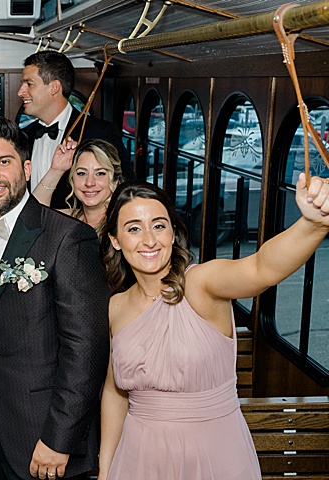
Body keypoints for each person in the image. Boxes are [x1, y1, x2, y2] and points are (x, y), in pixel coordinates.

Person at [98, 175, 329, 480]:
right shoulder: (116, 306)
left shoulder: (200, 285)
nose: (149, 240)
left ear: (172, 232)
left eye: (158, 225)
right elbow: (115, 393)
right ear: (115, 239)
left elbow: (261, 268)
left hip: (213, 456)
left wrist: (313, 224)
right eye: (133, 229)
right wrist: (106, 469)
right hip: (138, 458)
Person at [0, 117, 110, 480]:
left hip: (42, 432)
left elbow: (87, 348)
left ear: (27, 169)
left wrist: (61, 438)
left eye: (3, 162)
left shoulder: (67, 238)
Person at [18, 51, 134, 209]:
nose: (20, 92)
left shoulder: (100, 132)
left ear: (54, 87)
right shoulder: (22, 136)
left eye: (29, 84)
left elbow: (127, 188)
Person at [34, 138, 123, 236]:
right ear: (72, 179)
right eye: (82, 173)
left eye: (100, 173)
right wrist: (56, 170)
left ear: (115, 181)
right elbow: (31, 216)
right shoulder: (66, 219)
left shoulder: (123, 223)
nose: (89, 183)